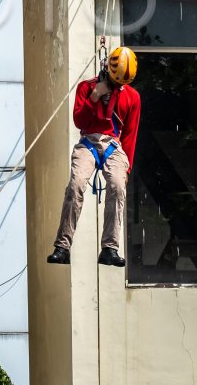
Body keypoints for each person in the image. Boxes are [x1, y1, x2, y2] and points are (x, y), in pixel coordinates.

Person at [47, 46, 141, 267]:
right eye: (115, 82)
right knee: (76, 184)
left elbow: (130, 134)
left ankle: (110, 247)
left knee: (117, 186)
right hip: (89, 141)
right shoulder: (86, 87)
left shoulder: (132, 97)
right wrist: (95, 96)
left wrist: (126, 169)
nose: (118, 87)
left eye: (122, 84)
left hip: (114, 144)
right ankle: (63, 246)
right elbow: (80, 122)